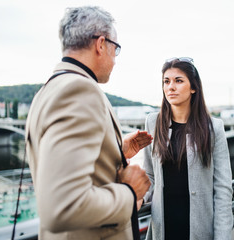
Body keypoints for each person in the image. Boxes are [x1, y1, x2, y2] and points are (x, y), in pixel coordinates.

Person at [25, 6, 151, 240]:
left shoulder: (49, 89)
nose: (115, 59)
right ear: (101, 44)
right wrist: (130, 193)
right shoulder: (80, 90)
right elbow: (62, 206)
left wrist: (116, 149)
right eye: (116, 48)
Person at [143, 57, 233, 240]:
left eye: (178, 81)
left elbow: (222, 188)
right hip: (163, 228)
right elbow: (149, 175)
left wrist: (222, 236)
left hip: (199, 228)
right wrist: (138, 199)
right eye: (166, 82)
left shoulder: (213, 128)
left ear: (193, 88)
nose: (170, 87)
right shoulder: (153, 122)